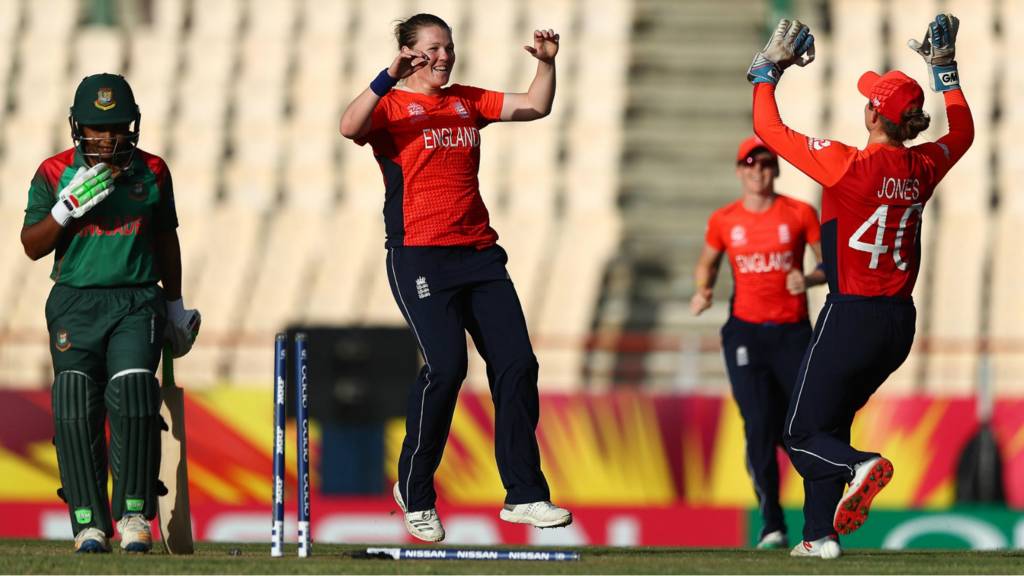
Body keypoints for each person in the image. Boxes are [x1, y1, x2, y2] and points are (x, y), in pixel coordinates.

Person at [746, 14, 973, 558]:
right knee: (829, 422)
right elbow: (962, 132)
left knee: (800, 434)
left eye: (871, 98)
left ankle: (860, 466)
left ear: (873, 113)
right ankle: (818, 536)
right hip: (899, 322)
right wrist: (946, 70)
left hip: (851, 315)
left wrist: (766, 73)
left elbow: (767, 130)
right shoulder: (923, 164)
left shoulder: (847, 166)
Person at [339, 14, 571, 542]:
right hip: (420, 257)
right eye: (432, 49)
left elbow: (535, 105)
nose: (444, 57)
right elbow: (349, 127)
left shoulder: (466, 100)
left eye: (448, 47)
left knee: (517, 364)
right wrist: (386, 76)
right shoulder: (391, 106)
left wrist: (548, 65)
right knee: (446, 369)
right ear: (407, 52)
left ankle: (525, 495)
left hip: (480, 256)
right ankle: (415, 491)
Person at [20, 73, 200, 553]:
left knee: (135, 392)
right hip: (74, 301)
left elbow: (166, 239)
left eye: (118, 126)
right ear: (79, 128)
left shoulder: (154, 171)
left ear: (133, 125)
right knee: (75, 401)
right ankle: (88, 523)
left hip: (137, 299)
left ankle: (136, 515)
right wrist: (65, 210)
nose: (109, 137)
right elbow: (31, 247)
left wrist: (175, 305)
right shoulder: (55, 172)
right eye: (99, 129)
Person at [691, 136, 825, 550]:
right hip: (745, 332)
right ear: (739, 171)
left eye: (765, 163)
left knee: (801, 428)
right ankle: (771, 523)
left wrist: (810, 278)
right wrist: (704, 290)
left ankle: (819, 520)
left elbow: (827, 262)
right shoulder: (724, 220)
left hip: (793, 334)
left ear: (776, 169)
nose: (758, 171)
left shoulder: (800, 213)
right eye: (750, 164)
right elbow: (707, 262)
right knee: (758, 426)